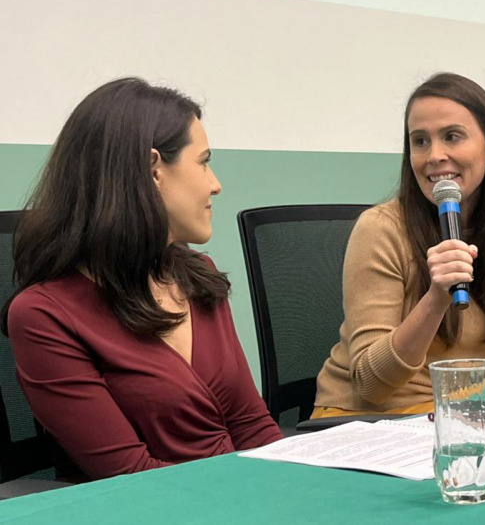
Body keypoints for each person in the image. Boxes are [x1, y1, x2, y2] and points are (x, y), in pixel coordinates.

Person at [1, 78, 282, 481]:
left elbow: (252, 426)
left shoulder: (199, 276)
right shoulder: (43, 316)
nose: (215, 183)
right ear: (153, 169)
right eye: (203, 161)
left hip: (242, 496)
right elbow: (132, 477)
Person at [312, 72, 485, 417]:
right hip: (370, 420)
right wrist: (435, 299)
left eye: (452, 137)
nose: (434, 155)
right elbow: (371, 384)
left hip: (465, 414)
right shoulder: (380, 229)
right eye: (420, 141)